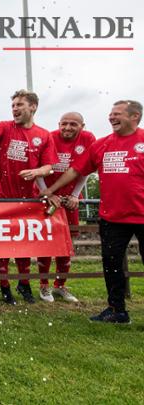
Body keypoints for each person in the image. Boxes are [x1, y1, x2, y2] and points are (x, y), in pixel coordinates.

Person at [43, 100, 144, 323]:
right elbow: (76, 170)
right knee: (112, 265)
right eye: (111, 113)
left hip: (142, 215)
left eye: (117, 114)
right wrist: (50, 189)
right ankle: (117, 310)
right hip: (112, 218)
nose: (111, 117)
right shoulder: (102, 144)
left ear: (134, 116)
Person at [0, 90, 58, 305]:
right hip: (2, 198)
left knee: (24, 244)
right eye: (13, 105)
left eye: (20, 105)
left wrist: (36, 172)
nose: (15, 109)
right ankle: (5, 286)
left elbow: (49, 167)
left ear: (33, 107)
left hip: (29, 199)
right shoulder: (4, 126)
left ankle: (24, 283)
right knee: (2, 244)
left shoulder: (44, 135)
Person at [35, 112, 96, 303]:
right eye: (64, 124)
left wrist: (75, 195)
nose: (67, 128)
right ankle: (44, 285)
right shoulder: (50, 137)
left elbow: (84, 170)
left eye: (73, 124)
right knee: (46, 241)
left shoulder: (88, 139)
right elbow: (38, 169)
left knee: (66, 243)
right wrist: (47, 193)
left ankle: (60, 285)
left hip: (69, 199)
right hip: (47, 198)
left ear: (82, 126)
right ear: (58, 124)